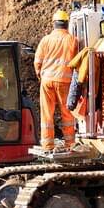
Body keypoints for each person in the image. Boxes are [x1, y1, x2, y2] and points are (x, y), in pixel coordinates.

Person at [34, 10, 79, 150]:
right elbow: (77, 62)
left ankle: (47, 145)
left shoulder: (45, 40)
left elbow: (37, 62)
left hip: (47, 81)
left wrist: (40, 76)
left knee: (47, 114)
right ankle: (70, 144)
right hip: (64, 81)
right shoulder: (72, 40)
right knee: (67, 113)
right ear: (67, 24)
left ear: (54, 24)